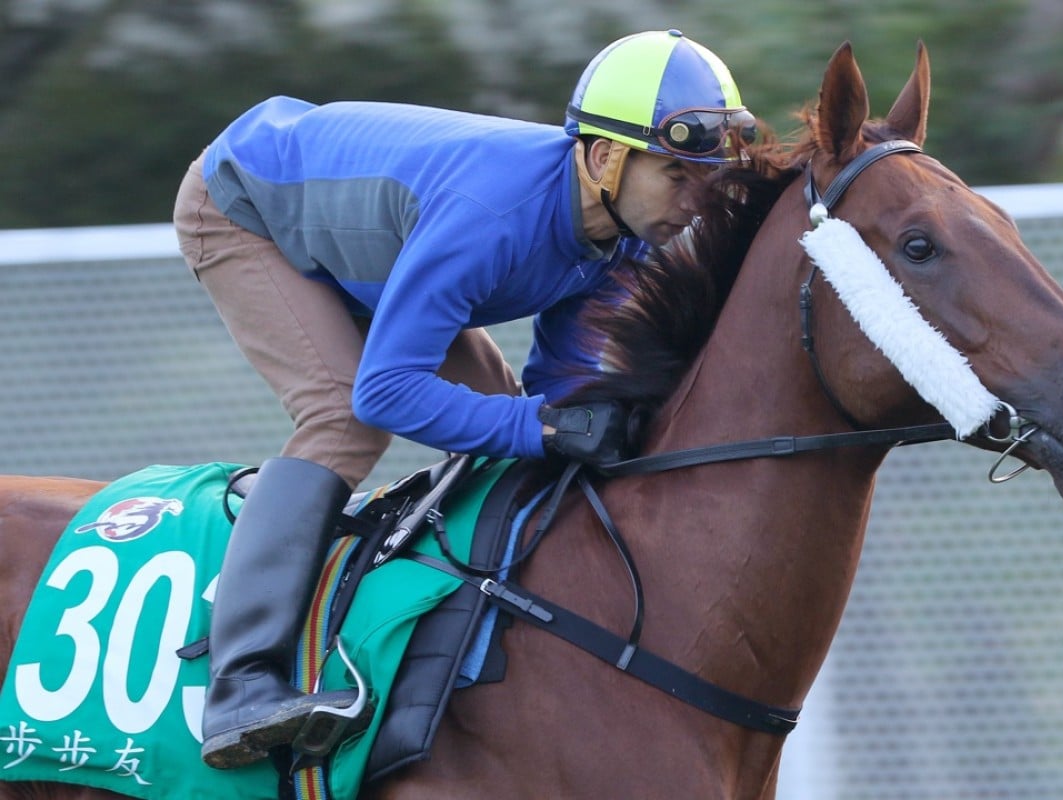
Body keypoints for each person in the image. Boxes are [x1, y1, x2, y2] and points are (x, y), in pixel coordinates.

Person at [173, 28, 754, 769]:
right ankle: (241, 686)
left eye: (708, 180)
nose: (694, 203)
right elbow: (386, 392)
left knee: (507, 424)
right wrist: (541, 424)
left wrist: (572, 422)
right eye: (677, 175)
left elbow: (557, 385)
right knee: (344, 417)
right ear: (603, 157)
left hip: (374, 244)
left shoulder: (628, 236)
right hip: (245, 207)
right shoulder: (494, 216)